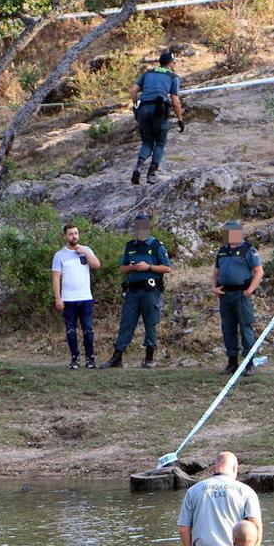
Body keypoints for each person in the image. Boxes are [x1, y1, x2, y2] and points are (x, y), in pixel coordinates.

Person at [104, 213, 172, 369]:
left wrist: (148, 267)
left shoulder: (156, 246)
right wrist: (132, 267)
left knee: (151, 323)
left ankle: (149, 357)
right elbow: (122, 268)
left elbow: (167, 267)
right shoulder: (130, 246)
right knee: (126, 323)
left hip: (150, 290)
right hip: (132, 291)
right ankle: (117, 357)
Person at [212, 220, 264, 376]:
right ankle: (232, 363)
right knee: (228, 328)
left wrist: (249, 290)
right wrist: (213, 287)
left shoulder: (248, 250)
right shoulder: (222, 251)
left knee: (245, 327)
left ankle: (249, 364)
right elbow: (215, 273)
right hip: (225, 295)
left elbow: (259, 272)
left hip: (241, 295)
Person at [129, 49, 185, 185]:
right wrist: (180, 119)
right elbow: (175, 101)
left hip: (143, 108)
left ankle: (138, 167)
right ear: (171, 63)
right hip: (159, 109)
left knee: (147, 142)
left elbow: (133, 91)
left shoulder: (148, 73)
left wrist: (136, 106)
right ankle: (151, 174)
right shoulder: (173, 77)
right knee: (160, 142)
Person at [51, 222, 101, 369]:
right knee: (71, 330)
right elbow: (55, 278)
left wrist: (85, 252)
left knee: (88, 329)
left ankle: (90, 359)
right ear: (65, 236)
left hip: (85, 298)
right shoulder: (59, 255)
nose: (74, 236)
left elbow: (97, 265)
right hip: (69, 299)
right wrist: (58, 298)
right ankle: (75, 359)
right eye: (71, 234)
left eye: (76, 233)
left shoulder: (86, 250)